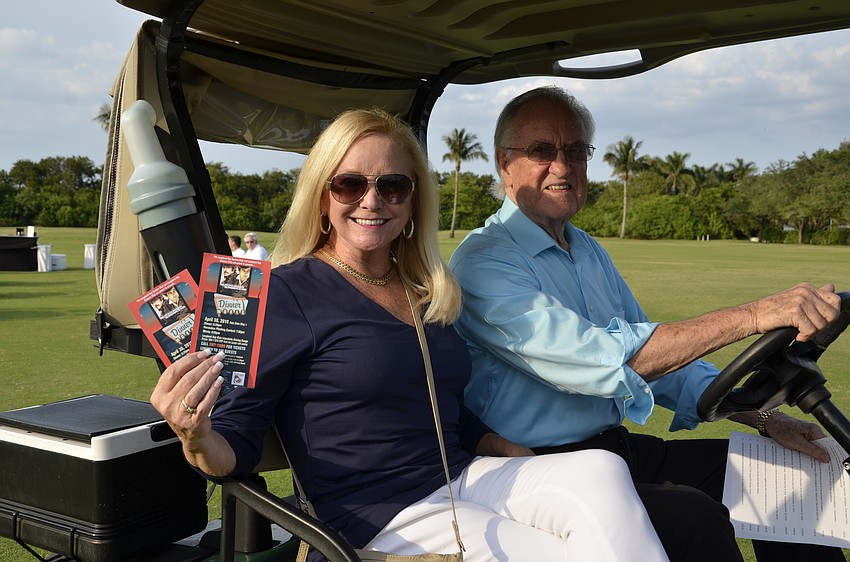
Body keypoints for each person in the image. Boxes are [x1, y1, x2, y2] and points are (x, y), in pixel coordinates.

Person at [151, 108, 669, 562]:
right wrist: (195, 435)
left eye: (392, 185)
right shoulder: (287, 294)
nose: (372, 201)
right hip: (378, 512)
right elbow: (235, 444)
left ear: (411, 198)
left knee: (600, 469)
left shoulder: (425, 289)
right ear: (323, 195)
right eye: (350, 184)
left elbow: (439, 400)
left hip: (460, 477)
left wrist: (492, 441)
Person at [448, 85, 844, 562]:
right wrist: (755, 315)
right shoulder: (485, 262)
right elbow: (608, 361)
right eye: (541, 151)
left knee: (790, 470)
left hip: (614, 453)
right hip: (534, 468)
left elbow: (665, 364)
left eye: (575, 151)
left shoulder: (587, 250)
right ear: (504, 163)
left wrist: (763, 416)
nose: (562, 166)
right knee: (693, 517)